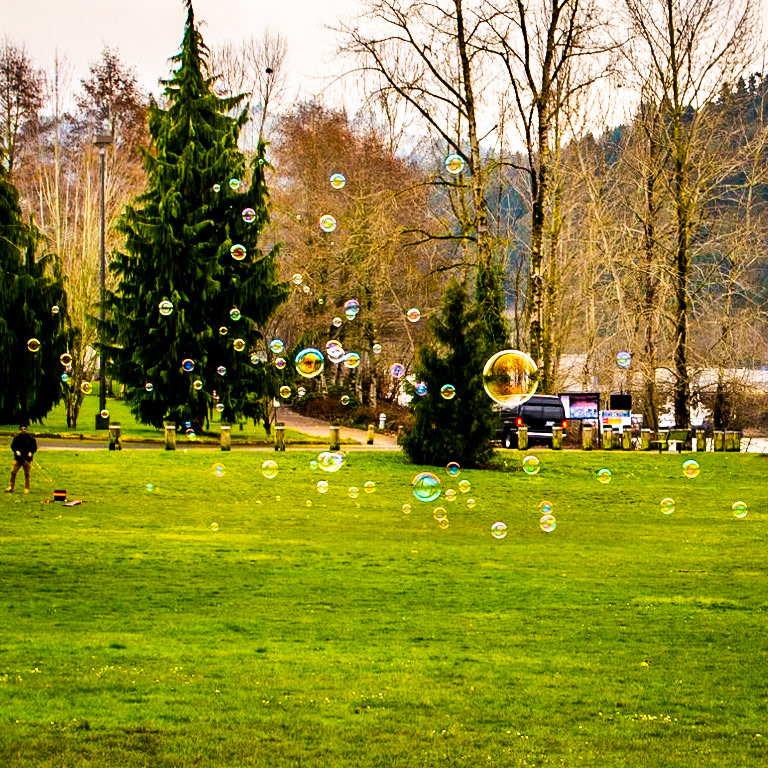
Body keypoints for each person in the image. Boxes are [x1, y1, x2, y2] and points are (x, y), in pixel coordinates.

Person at [5, 425, 37, 494]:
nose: (23, 430)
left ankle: (26, 488)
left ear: (27, 430)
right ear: (19, 430)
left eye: (24, 429)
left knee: (27, 474)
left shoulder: (31, 439)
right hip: (18, 459)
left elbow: (34, 447)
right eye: (22, 429)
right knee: (13, 472)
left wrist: (31, 452)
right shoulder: (17, 438)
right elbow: (13, 446)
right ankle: (11, 487)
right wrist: (16, 451)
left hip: (27, 459)